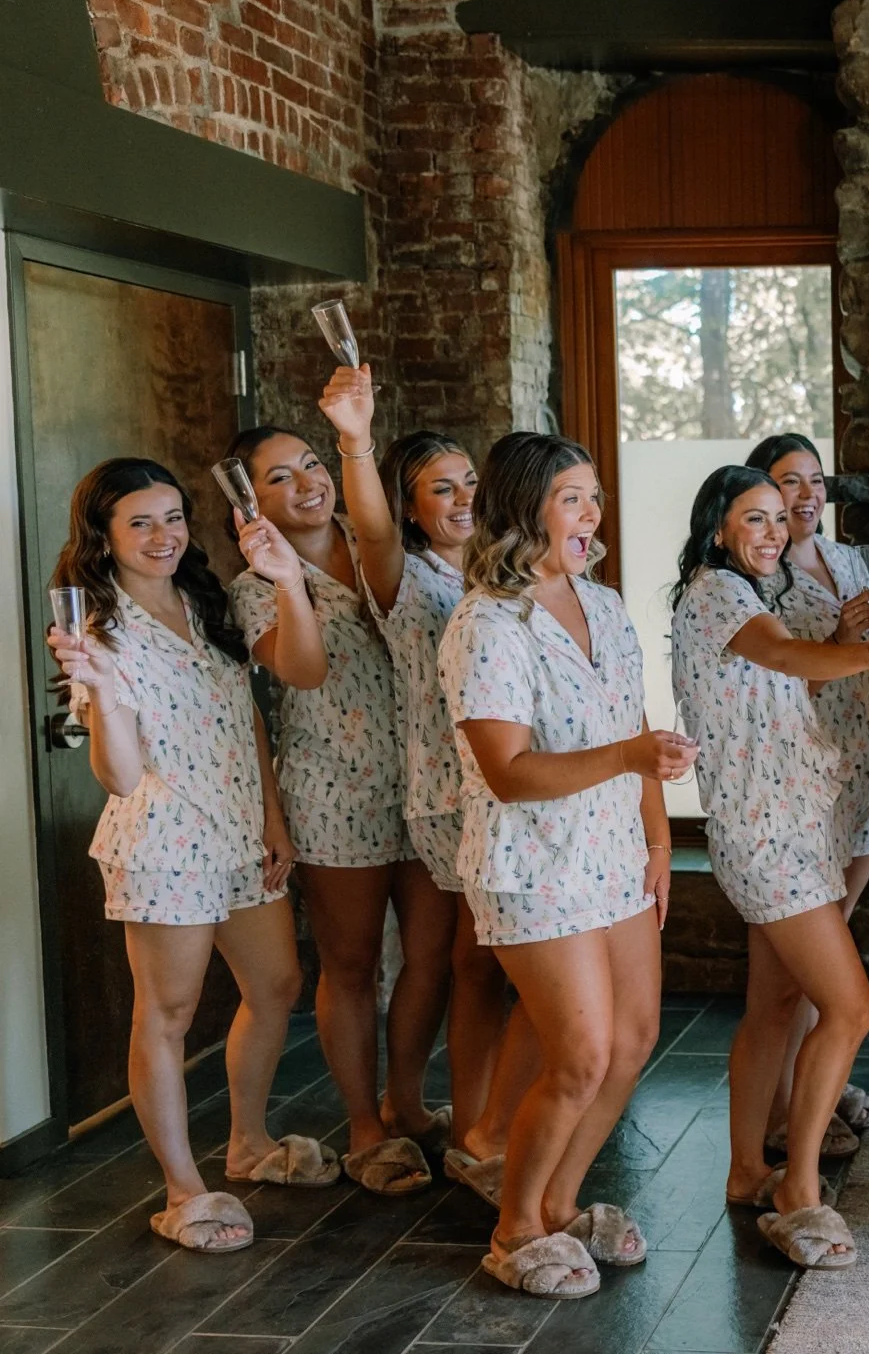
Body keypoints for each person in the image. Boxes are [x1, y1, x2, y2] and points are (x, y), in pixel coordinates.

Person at [47, 459, 318, 1253]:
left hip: (240, 830)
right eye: (141, 522)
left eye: (172, 517)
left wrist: (272, 814)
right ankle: (182, 1187)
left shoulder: (209, 601)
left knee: (277, 984)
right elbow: (121, 775)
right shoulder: (95, 631)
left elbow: (252, 712)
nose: (164, 536)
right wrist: (98, 691)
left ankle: (247, 1142)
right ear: (103, 536)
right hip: (166, 843)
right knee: (165, 1015)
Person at [440, 433, 684, 1298]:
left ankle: (558, 1204)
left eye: (593, 498)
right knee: (578, 1054)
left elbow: (640, 735)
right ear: (524, 508)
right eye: (573, 498)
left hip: (617, 855)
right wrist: (627, 759)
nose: (592, 514)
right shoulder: (485, 623)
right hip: (530, 864)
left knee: (632, 1042)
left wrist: (658, 843)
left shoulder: (606, 605)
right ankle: (512, 1231)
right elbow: (507, 771)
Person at [670, 464, 869, 1270]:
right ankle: (797, 1187)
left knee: (775, 1003)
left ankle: (749, 1168)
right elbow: (783, 657)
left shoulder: (756, 592)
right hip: (766, 837)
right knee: (849, 1008)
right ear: (718, 531)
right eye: (755, 518)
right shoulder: (717, 595)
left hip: (791, 827)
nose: (774, 530)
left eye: (780, 517)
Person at [319, 366, 530, 1205]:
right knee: (474, 965)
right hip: (452, 797)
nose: (463, 497)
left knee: (458, 966)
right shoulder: (405, 579)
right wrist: (356, 441)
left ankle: (438, 1113)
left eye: (470, 481)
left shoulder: (495, 572)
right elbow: (368, 529)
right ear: (409, 507)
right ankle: (474, 1132)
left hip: (507, 789)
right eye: (441, 488)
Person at [224, 426, 439, 1196]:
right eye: (280, 477)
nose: (308, 482)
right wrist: (287, 577)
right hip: (333, 793)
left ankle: (406, 1100)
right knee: (351, 967)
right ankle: (364, 1124)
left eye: (313, 464)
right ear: (253, 501)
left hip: (428, 782)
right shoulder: (253, 589)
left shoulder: (381, 539)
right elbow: (305, 671)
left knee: (433, 955)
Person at [744, 434, 869, 1158]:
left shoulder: (847, 559)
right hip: (801, 788)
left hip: (866, 777)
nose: (805, 495)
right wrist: (843, 636)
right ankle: (781, 1115)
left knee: (826, 953)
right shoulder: (758, 580)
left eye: (814, 481)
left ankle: (813, 1095)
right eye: (787, 482)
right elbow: (775, 686)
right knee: (797, 971)